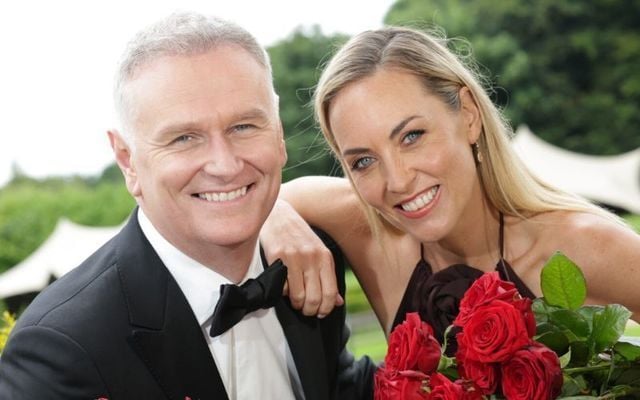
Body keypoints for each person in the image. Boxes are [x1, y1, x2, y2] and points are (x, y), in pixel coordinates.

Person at [0, 12, 375, 399]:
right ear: (128, 160)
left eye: (243, 126)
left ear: (278, 133)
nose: (225, 165)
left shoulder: (307, 263)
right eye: (184, 138)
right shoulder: (62, 349)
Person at [262, 26, 640, 344]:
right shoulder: (377, 243)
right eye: (363, 161)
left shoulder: (585, 246)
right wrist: (276, 219)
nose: (397, 181)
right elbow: (279, 195)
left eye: (411, 136)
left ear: (470, 115)